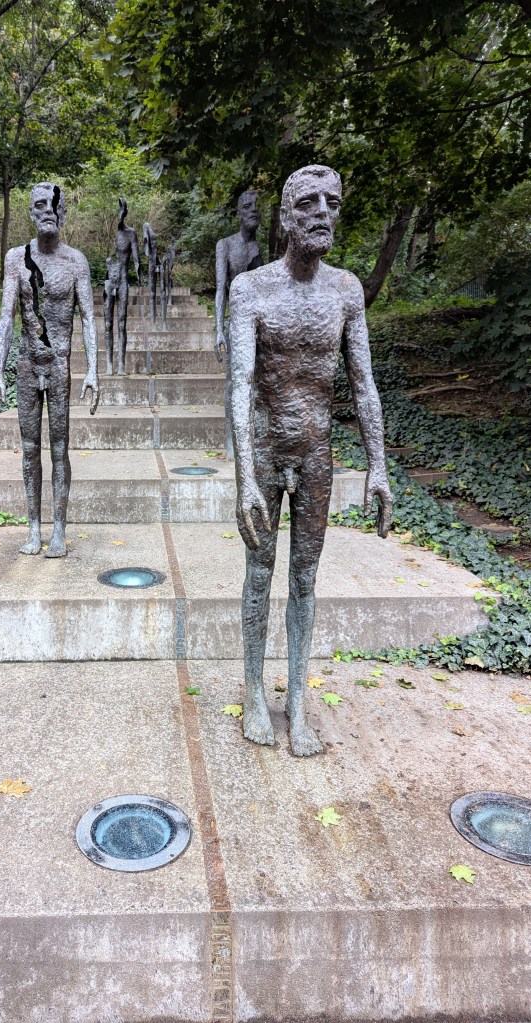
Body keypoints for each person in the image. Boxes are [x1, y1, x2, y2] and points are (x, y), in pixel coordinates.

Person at [229, 165, 393, 756]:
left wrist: (378, 464)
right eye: (307, 203)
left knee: (304, 578)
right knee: (258, 573)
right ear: (283, 217)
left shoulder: (346, 290)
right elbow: (241, 384)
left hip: (318, 452)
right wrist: (245, 476)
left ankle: (296, 702)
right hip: (269, 450)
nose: (321, 212)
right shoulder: (251, 289)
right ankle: (253, 691)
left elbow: (364, 384)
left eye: (332, 202)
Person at [0, 181, 99, 558]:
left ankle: (58, 530)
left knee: (59, 448)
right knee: (28, 449)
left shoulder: (75, 261)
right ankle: (33, 527)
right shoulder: (15, 259)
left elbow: (88, 317)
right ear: (32, 212)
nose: (48, 210)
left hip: (59, 365)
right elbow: (6, 317)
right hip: (26, 362)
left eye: (54, 204)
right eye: (40, 205)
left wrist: (93, 370)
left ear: (63, 212)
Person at [214, 190, 264, 457]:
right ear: (238, 213)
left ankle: (251, 442)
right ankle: (232, 444)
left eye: (256, 206)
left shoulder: (257, 249)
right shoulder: (225, 245)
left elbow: (262, 293)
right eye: (247, 206)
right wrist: (219, 328)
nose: (253, 210)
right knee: (234, 383)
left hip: (257, 324)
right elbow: (221, 288)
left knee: (255, 383)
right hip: (236, 323)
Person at [104, 198, 141, 375]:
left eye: (122, 211)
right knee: (107, 323)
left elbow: (136, 258)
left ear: (124, 212)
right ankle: (109, 365)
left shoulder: (130, 233)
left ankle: (121, 366)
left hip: (124, 279)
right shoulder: (110, 232)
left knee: (121, 323)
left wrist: (139, 271)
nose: (119, 215)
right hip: (109, 280)